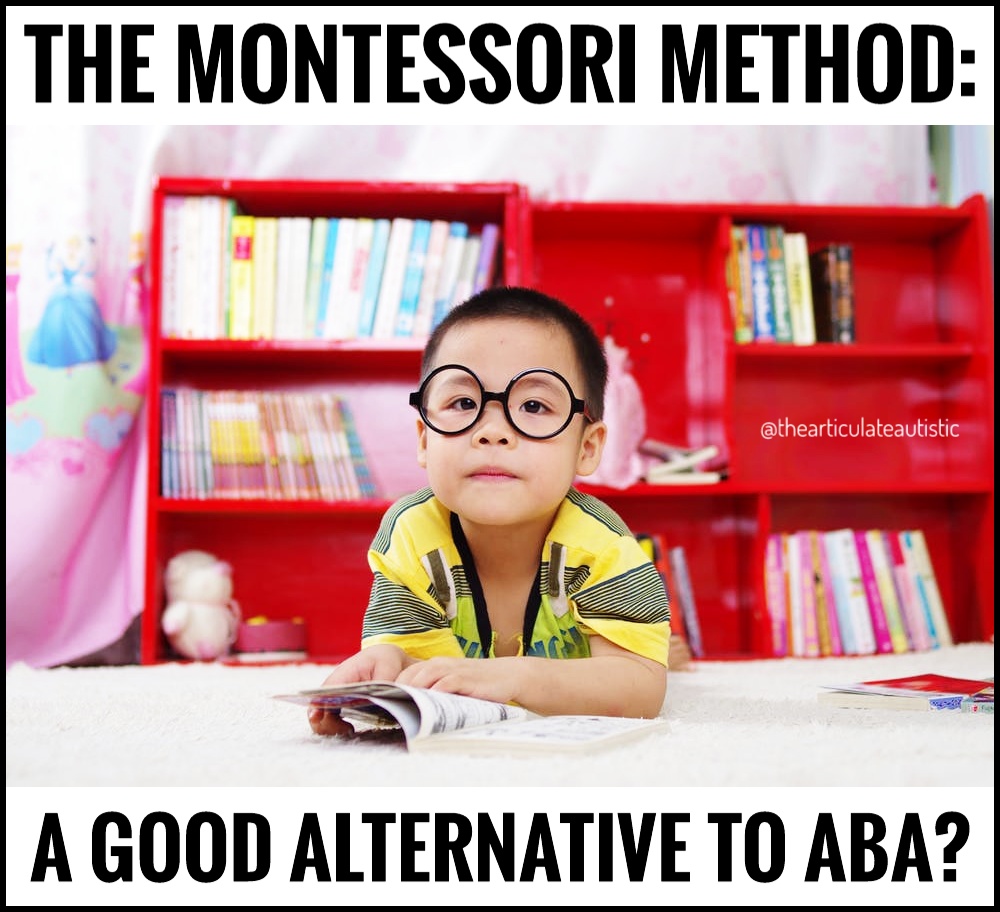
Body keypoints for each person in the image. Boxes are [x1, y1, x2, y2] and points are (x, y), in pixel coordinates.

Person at [310, 286, 670, 735]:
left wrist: (514, 676)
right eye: (463, 403)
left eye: (534, 405)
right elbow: (427, 669)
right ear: (424, 439)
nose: (493, 431)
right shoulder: (410, 533)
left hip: (594, 658)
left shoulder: (604, 545)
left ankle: (668, 643)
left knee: (660, 654)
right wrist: (392, 664)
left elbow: (642, 687)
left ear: (588, 447)